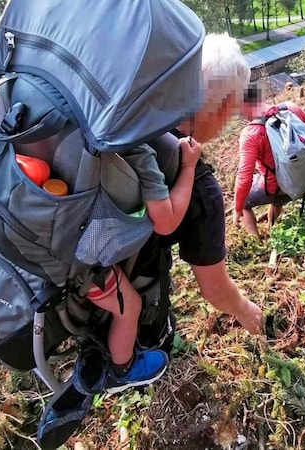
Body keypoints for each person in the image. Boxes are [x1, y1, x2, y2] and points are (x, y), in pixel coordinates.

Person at [137, 33, 263, 338]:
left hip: (79, 280)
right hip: (137, 296)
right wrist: (247, 310)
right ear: (222, 108)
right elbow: (214, 289)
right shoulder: (200, 186)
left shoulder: (135, 122)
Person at [84, 135, 202, 394]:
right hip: (80, 262)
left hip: (34, 243)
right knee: (129, 308)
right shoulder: (132, 143)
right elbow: (166, 221)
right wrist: (189, 166)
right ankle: (122, 369)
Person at [232, 84, 305, 239]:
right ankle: (271, 228)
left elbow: (244, 177)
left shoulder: (251, 133)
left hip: (279, 190)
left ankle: (257, 242)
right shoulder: (290, 108)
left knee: (245, 202)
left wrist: (237, 208)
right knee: (276, 186)